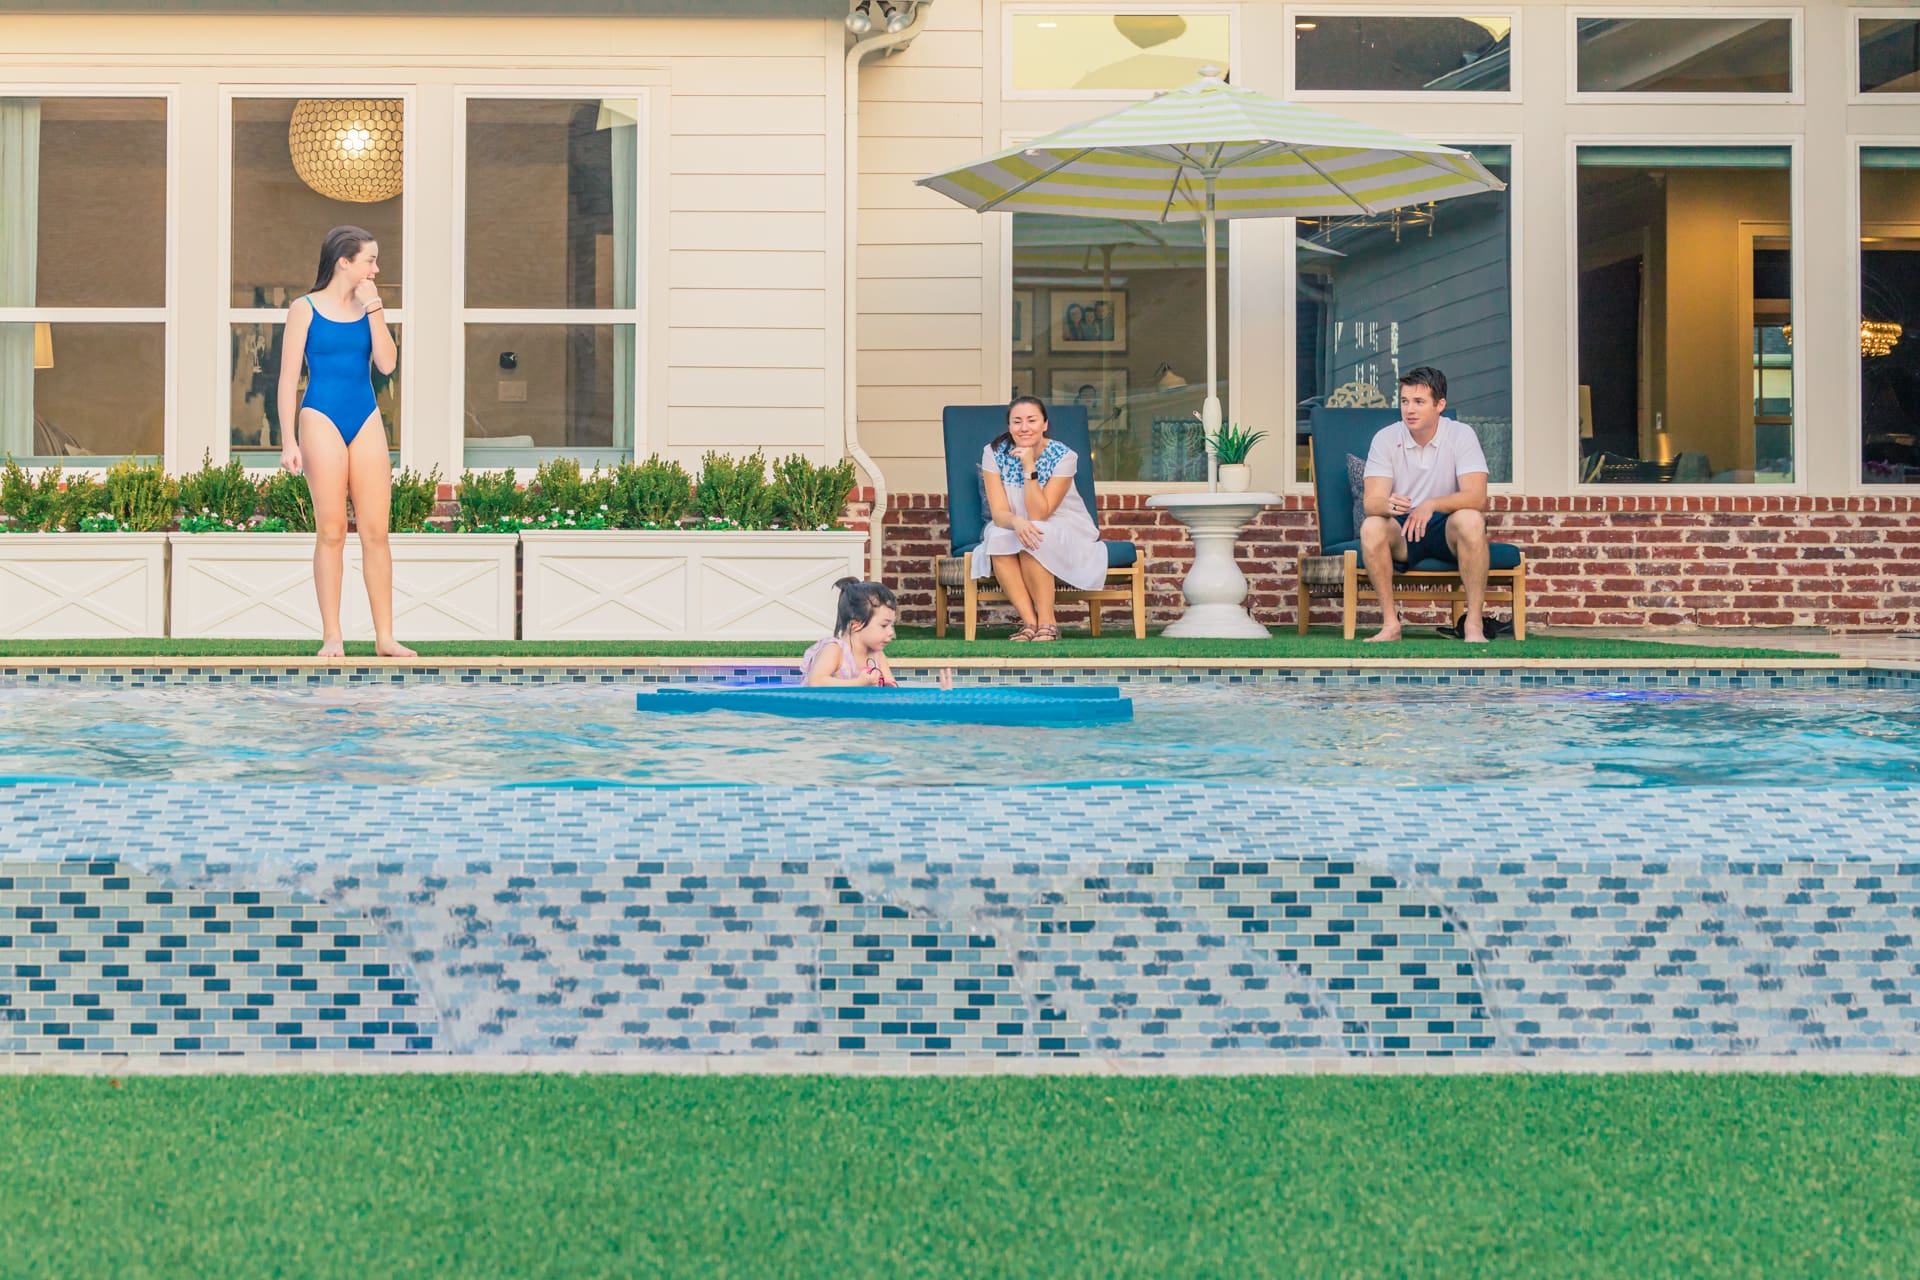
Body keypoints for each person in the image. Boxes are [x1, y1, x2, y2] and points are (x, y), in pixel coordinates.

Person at [278, 225, 413, 659]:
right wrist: (287, 441)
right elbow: (285, 381)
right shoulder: (304, 308)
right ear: (345, 261)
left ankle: (385, 637)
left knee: (377, 532)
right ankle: (333, 635)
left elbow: (387, 366)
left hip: (365, 415)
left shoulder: (369, 306)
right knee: (332, 531)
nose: (376, 267)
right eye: (370, 260)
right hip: (319, 416)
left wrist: (375, 309)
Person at [1358, 366, 1493, 643]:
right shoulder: (1386, 438)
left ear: (1439, 405)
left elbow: (1477, 497)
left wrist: (1431, 504)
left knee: (1471, 519)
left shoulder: (1461, 435)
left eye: (1419, 402)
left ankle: (1474, 626)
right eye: (1405, 401)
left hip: (1446, 528)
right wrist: (1388, 505)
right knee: (1372, 526)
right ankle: (1391, 624)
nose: (1409, 410)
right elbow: (1371, 502)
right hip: (1404, 529)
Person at [971, 395, 1107, 642]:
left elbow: (1040, 513)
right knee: (999, 539)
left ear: (1044, 424)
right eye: (1017, 421)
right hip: (1012, 521)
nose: (1024, 428)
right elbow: (1000, 512)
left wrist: (1029, 466)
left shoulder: (1064, 456)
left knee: (1034, 533)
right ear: (1009, 426)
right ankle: (1030, 623)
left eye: (1032, 420)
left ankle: (1048, 622)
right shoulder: (993, 452)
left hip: (1061, 521)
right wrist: (1017, 522)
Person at [803, 578, 899, 686]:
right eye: (884, 625)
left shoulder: (878, 656)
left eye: (892, 625)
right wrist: (859, 682)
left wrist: (887, 685)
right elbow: (816, 682)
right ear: (856, 624)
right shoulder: (835, 650)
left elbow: (892, 688)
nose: (891, 632)